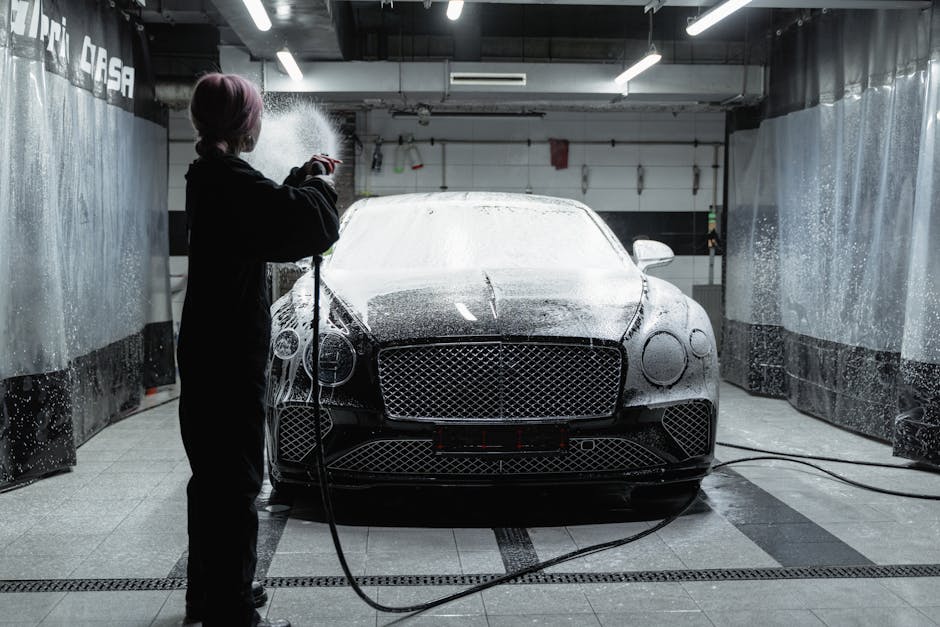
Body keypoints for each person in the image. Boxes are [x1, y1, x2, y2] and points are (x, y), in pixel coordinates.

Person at [178, 72, 340, 627]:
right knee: (237, 481)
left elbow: (267, 213)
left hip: (207, 349)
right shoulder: (226, 180)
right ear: (243, 123)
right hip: (227, 355)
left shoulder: (211, 176)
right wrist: (318, 185)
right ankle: (231, 610)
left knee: (213, 480)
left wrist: (301, 177)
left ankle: (210, 593)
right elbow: (307, 224)